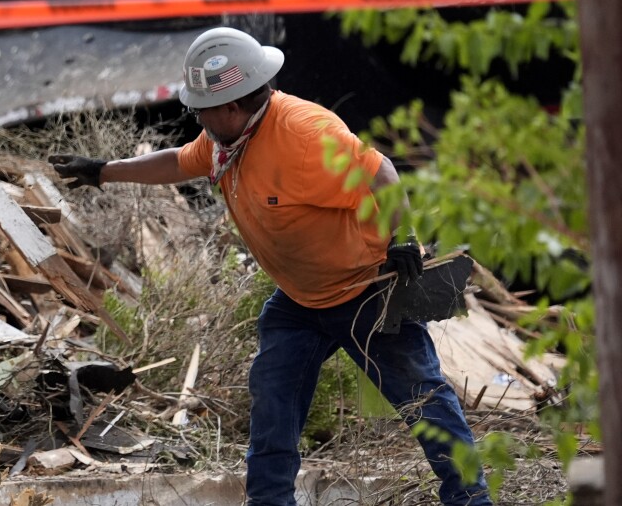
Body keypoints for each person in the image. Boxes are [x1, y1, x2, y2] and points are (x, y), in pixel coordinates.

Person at [49, 27, 492, 506]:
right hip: (300, 303)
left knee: (423, 401)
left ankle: (471, 500)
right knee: (273, 406)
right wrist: (103, 170)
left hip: (367, 291)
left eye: (201, 109)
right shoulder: (227, 140)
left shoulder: (306, 137)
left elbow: (380, 169)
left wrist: (404, 237)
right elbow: (178, 163)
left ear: (233, 106)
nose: (195, 116)